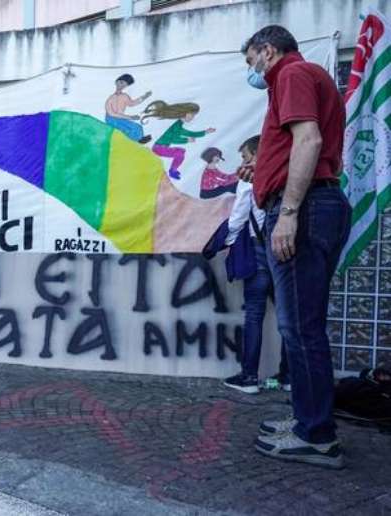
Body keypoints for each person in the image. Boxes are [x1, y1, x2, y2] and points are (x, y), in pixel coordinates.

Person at [241, 25, 350, 469]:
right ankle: (308, 420)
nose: (253, 72)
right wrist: (261, 174)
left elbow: (309, 140)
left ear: (268, 50)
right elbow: (297, 145)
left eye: (252, 62)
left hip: (303, 210)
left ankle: (317, 435)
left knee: (300, 328)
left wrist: (287, 213)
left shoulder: (290, 74)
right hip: (309, 204)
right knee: (302, 325)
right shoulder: (304, 78)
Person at [221, 135, 289, 395]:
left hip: (259, 252)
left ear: (256, 155)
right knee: (288, 317)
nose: (243, 162)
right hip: (285, 250)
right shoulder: (284, 176)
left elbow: (238, 216)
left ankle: (249, 377)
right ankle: (288, 377)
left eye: (246, 157)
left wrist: (225, 241)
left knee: (254, 315)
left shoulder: (249, 180)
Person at [143, 101, 216, 180]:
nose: (193, 118)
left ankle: (173, 170)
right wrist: (186, 140)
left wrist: (205, 132)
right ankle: (172, 171)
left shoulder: (179, 125)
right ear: (186, 113)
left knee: (181, 152)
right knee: (179, 153)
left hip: (160, 148)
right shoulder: (177, 126)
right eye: (192, 115)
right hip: (158, 148)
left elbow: (191, 133)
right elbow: (173, 139)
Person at [104, 74, 153, 144]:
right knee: (125, 129)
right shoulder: (110, 98)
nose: (122, 86)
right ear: (116, 82)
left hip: (121, 118)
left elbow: (132, 103)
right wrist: (130, 117)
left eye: (124, 85)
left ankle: (139, 140)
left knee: (137, 127)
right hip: (111, 119)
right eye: (121, 83)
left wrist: (144, 97)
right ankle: (130, 141)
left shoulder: (124, 96)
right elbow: (111, 113)